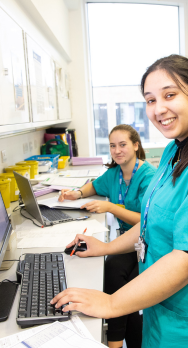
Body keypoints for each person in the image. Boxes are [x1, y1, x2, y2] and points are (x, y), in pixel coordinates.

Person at [52, 55, 188, 348]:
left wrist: (111, 304)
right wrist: (108, 248)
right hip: (162, 307)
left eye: (170, 95)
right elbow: (153, 221)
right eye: (150, 100)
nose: (159, 109)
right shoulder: (176, 149)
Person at [58, 124, 156, 348]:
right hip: (127, 241)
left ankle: (114, 342)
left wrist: (111, 207)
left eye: (123, 145)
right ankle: (122, 342)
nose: (117, 150)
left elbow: (146, 222)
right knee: (119, 280)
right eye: (113, 146)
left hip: (146, 242)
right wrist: (77, 193)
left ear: (136, 145)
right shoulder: (115, 174)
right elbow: (94, 186)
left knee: (114, 273)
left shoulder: (148, 176)